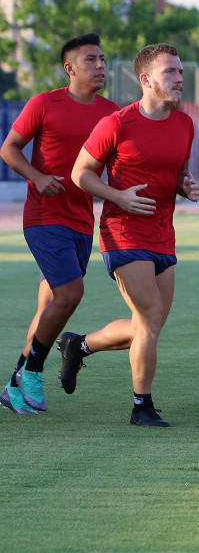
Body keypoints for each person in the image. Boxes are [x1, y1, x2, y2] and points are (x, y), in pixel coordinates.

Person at [62, 43, 199, 427]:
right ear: (146, 80)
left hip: (163, 235)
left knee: (148, 327)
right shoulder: (117, 123)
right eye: (170, 72)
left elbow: (175, 175)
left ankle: (79, 344)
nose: (179, 79)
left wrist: (184, 187)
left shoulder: (185, 124)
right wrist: (117, 195)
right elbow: (81, 173)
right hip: (122, 234)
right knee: (151, 318)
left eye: (181, 72)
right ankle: (142, 407)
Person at [0, 35, 118, 415]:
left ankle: (13, 383)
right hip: (44, 216)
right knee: (70, 293)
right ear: (70, 68)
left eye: (102, 59)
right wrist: (36, 176)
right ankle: (32, 372)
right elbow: (9, 148)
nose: (100, 65)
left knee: (49, 306)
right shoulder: (44, 103)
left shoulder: (112, 112)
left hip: (83, 220)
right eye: (90, 60)